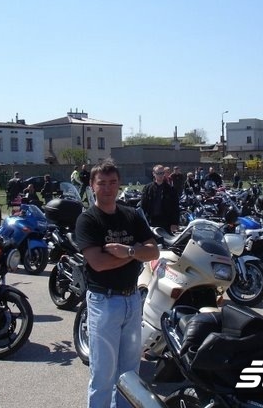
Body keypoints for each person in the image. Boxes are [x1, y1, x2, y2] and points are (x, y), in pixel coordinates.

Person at [75, 159, 159, 408]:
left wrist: (128, 251)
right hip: (104, 302)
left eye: (112, 182)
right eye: (102, 183)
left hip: (132, 299)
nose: (108, 188)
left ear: (119, 184)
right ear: (92, 186)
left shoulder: (131, 215)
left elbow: (153, 251)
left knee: (130, 373)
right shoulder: (88, 220)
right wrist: (134, 252)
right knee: (103, 373)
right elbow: (98, 263)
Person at [140, 164, 180, 233]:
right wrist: (141, 221)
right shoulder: (147, 188)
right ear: (153, 174)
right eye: (158, 173)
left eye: (162, 173)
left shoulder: (171, 189)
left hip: (166, 222)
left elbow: (175, 207)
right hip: (151, 221)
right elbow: (143, 206)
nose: (160, 175)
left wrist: (174, 223)